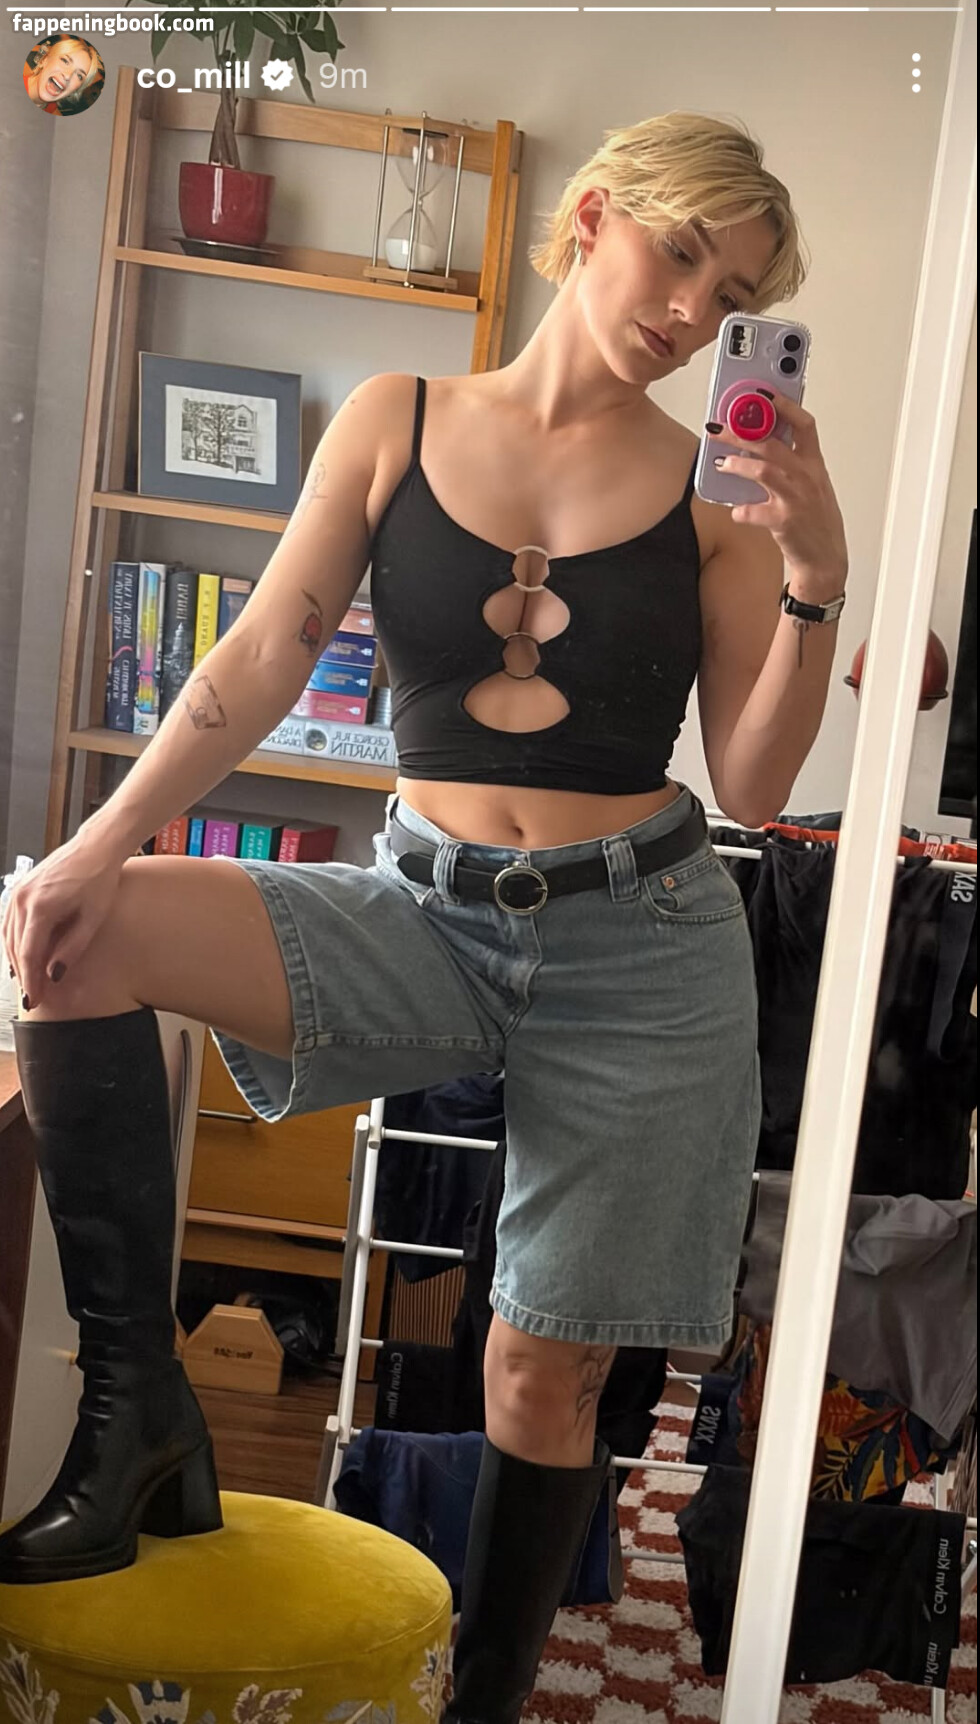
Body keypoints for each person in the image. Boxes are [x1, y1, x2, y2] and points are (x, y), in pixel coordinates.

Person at [1, 112, 847, 1720]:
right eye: (679, 255)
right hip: (426, 907)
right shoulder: (395, 417)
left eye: (731, 294)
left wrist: (815, 577)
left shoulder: (718, 501)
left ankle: (489, 1704)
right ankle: (138, 1418)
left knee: (540, 1366)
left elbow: (751, 778)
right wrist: (94, 843)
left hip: (643, 949)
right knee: (75, 938)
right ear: (592, 219)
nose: (691, 311)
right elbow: (264, 651)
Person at [23, 34, 101, 114]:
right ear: (45, 60)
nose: (68, 76)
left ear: (76, 90)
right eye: (65, 61)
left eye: (79, 76)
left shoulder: (52, 105)